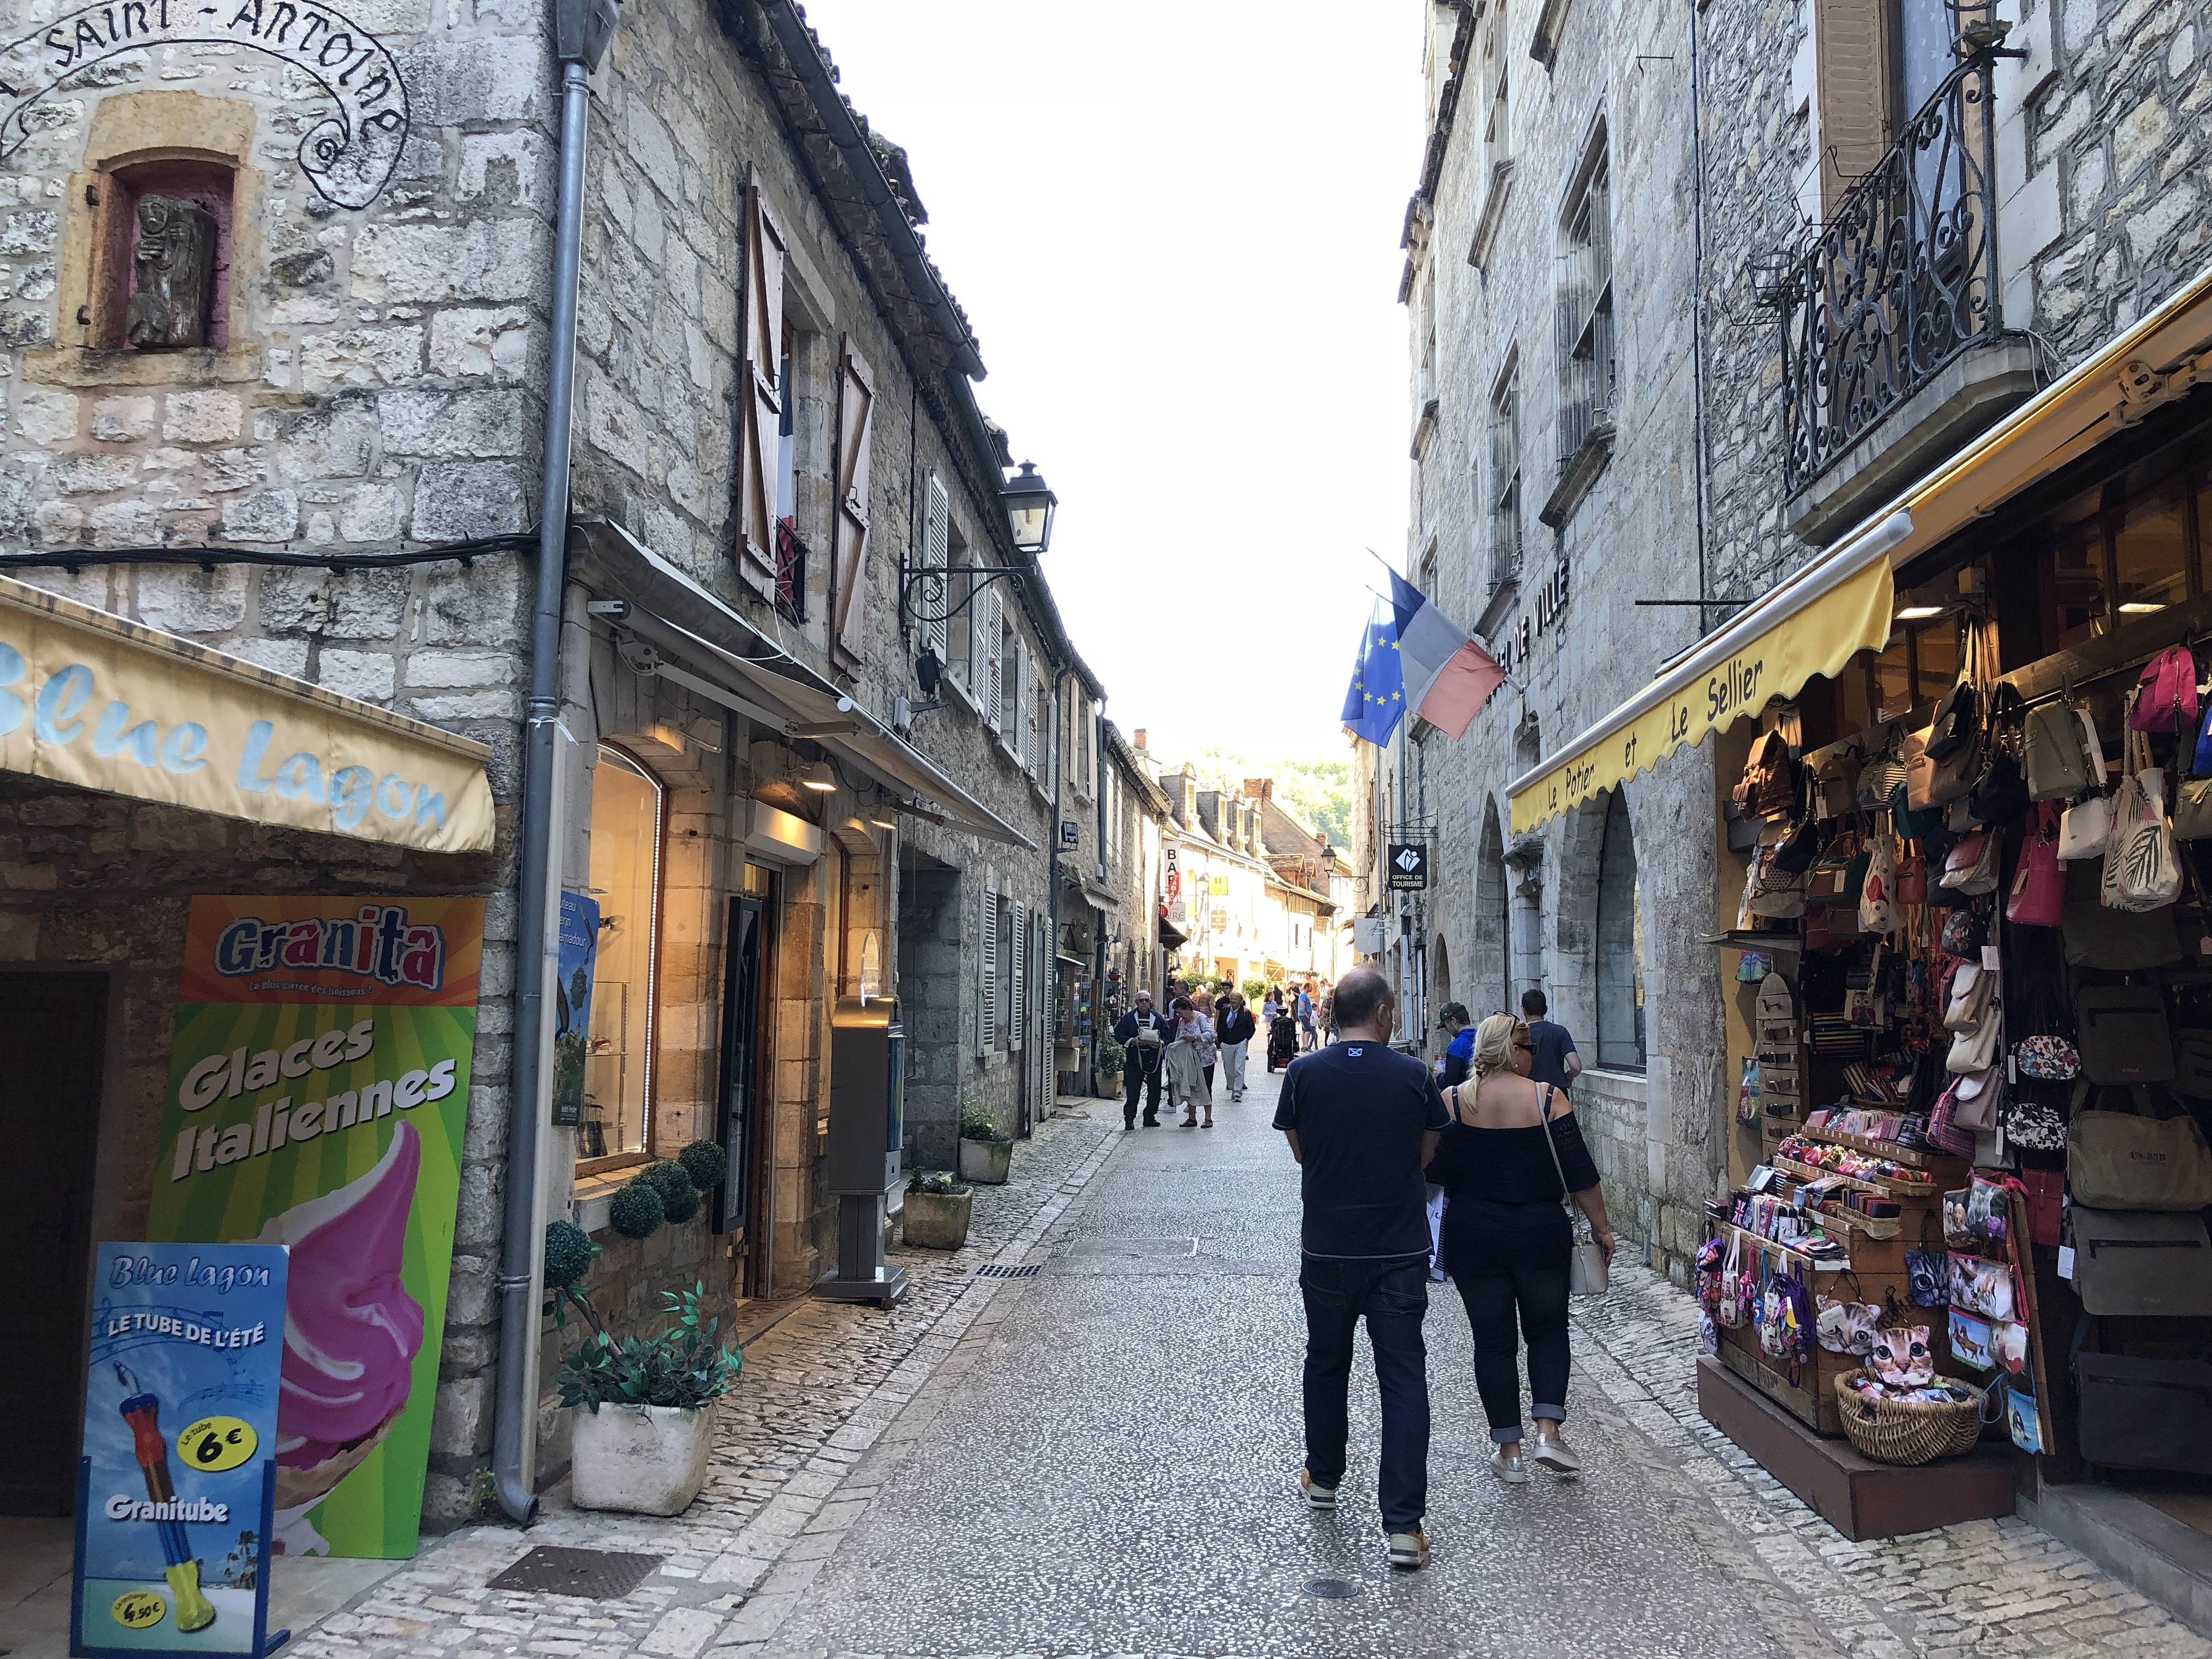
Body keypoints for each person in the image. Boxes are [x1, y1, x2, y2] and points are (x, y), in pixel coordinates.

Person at [1274, 968, 1448, 1572]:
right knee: (1402, 1379)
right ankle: (1403, 1526)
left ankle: (1323, 1478)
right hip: (1398, 1249)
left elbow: (1299, 1149)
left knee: (1325, 1362)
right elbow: (1428, 1152)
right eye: (1393, 1009)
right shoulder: (1412, 1075)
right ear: (1379, 1012)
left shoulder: (1302, 1073)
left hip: (1327, 1246)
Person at [1427, 1014, 1616, 1483]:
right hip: (1539, 1232)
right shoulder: (1548, 1100)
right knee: (1548, 1330)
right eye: (1528, 1047)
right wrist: (1603, 1228)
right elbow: (1581, 1175)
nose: (1533, 1055)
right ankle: (1548, 1432)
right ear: (1513, 1052)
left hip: (1474, 1235)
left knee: (1492, 1343)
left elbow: (1433, 1175)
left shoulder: (1452, 1102)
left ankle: (1509, 1452)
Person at [1113, 990, 1172, 1130]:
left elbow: (1167, 1036)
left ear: (1150, 1002)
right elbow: (1119, 1034)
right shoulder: (1129, 1018)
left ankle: (1150, 1116)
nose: (1144, 1003)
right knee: (1133, 1090)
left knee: (1155, 1089)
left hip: (1153, 1060)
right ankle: (1129, 1118)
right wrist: (1131, 1041)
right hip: (1135, 1059)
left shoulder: (1157, 1018)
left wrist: (1160, 1044)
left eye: (1147, 1000)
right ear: (1136, 1003)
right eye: (1141, 1001)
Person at [1164, 995, 1214, 1127]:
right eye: (1177, 1013)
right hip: (1189, 1059)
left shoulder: (1201, 1018)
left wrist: (1195, 1037)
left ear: (1188, 1009)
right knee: (1191, 1085)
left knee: (1205, 1087)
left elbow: (1212, 1035)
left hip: (1205, 1059)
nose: (1179, 1015)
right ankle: (1192, 1118)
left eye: (1180, 1012)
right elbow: (1179, 1037)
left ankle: (1208, 1118)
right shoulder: (1182, 1021)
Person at [1520, 989, 1584, 1090]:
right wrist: (1568, 1076)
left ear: (1524, 1011)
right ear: (1546, 1009)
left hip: (1528, 1094)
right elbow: (1576, 1066)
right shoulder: (1560, 1032)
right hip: (1557, 1094)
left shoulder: (1518, 1034)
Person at [1215, 991, 1256, 1102]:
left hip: (1240, 1043)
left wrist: (1245, 1039)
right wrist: (1221, 1040)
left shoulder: (1246, 1012)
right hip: (1226, 1044)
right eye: (1232, 998)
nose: (1233, 1001)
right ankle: (1232, 1087)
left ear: (1241, 1001)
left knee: (1239, 1068)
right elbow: (1220, 1025)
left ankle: (1238, 1092)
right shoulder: (1225, 1010)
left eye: (1236, 999)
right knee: (1229, 1070)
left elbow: (1251, 1028)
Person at [1436, 1003, 1475, 1088]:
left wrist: (1439, 1075)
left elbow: (1450, 1082)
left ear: (1453, 1021)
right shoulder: (1483, 1037)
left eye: (1446, 1024)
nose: (1446, 1029)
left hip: (1466, 1095)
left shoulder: (1457, 1046)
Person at [1267, 1001, 1301, 1072]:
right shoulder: (1291, 1021)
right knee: (1293, 1043)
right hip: (1289, 1042)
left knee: (1271, 1047)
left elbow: (1271, 1030)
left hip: (1277, 1041)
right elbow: (1294, 1032)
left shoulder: (1275, 1021)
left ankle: (1273, 1062)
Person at [1296, 984, 1317, 1051]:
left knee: (1304, 1030)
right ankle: (1306, 1046)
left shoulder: (1304, 995)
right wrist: (1307, 1014)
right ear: (1307, 987)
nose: (1312, 988)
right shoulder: (1303, 995)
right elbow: (1303, 1006)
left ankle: (1304, 1045)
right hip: (1304, 1015)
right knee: (1308, 1030)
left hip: (1303, 1015)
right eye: (1311, 987)